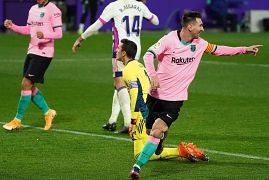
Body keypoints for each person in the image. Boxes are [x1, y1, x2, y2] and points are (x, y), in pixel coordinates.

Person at [128, 11, 262, 179]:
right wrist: (153, 75)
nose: (203, 28)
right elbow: (148, 55)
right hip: (155, 95)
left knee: (156, 131)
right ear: (189, 26)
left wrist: (244, 50)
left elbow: (219, 50)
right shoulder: (169, 39)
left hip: (175, 99)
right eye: (200, 25)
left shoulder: (200, 44)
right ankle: (160, 138)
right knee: (150, 130)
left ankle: (137, 167)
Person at [116, 38, 209, 163]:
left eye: (118, 48)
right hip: (148, 106)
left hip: (142, 112)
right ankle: (179, 150)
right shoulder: (138, 65)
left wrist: (133, 120)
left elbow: (135, 94)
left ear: (124, 53)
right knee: (139, 152)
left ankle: (181, 151)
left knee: (143, 154)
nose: (116, 49)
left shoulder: (128, 70)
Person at [72, 0, 159, 133]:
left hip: (120, 49)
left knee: (120, 83)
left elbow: (96, 25)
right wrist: (142, 11)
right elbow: (156, 21)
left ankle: (127, 122)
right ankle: (112, 120)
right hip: (135, 49)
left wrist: (80, 38)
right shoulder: (140, 5)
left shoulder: (114, 6)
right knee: (120, 86)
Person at [2, 0, 63, 131]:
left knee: (25, 83)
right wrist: (13, 26)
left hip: (44, 52)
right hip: (32, 50)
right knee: (29, 86)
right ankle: (48, 113)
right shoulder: (33, 9)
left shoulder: (54, 10)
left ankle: (17, 120)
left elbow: (59, 33)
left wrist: (45, 34)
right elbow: (28, 30)